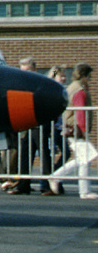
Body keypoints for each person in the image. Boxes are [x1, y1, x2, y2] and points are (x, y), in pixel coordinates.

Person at [49, 63, 96, 199]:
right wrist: (83, 129)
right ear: (85, 76)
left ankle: (58, 177)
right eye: (89, 76)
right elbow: (80, 112)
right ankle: (83, 190)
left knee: (84, 158)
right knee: (86, 157)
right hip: (76, 128)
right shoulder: (79, 90)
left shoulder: (73, 87)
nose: (90, 79)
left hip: (71, 128)